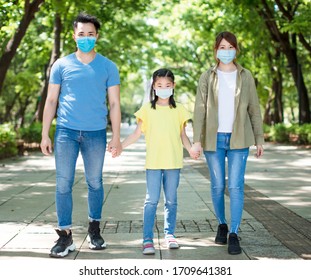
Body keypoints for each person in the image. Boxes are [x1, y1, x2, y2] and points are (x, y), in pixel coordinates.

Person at [40, 12, 121, 258]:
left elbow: (115, 104)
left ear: (97, 36)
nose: (86, 38)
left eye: (91, 34)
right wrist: (45, 134)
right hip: (66, 132)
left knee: (95, 182)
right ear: (74, 36)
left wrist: (116, 136)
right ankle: (65, 236)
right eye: (81, 34)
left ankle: (94, 229)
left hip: (96, 133)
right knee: (63, 183)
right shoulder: (61, 65)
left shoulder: (108, 66)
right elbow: (51, 99)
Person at [191, 31, 264, 255]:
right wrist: (196, 140)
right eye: (222, 47)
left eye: (230, 47)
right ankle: (221, 224)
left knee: (235, 186)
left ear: (236, 49)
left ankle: (234, 232)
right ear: (216, 50)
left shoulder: (246, 76)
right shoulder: (207, 76)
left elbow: (254, 109)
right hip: (213, 139)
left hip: (239, 139)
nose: (226, 51)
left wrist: (259, 138)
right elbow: (199, 109)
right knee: (217, 186)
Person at [121, 68, 199, 255]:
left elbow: (183, 135)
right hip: (154, 163)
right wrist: (120, 146)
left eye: (168, 85)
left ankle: (169, 234)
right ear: (153, 87)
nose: (164, 88)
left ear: (173, 87)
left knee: (171, 201)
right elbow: (136, 134)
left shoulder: (179, 109)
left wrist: (191, 150)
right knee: (151, 201)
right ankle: (147, 239)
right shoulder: (147, 109)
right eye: (159, 85)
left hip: (174, 162)